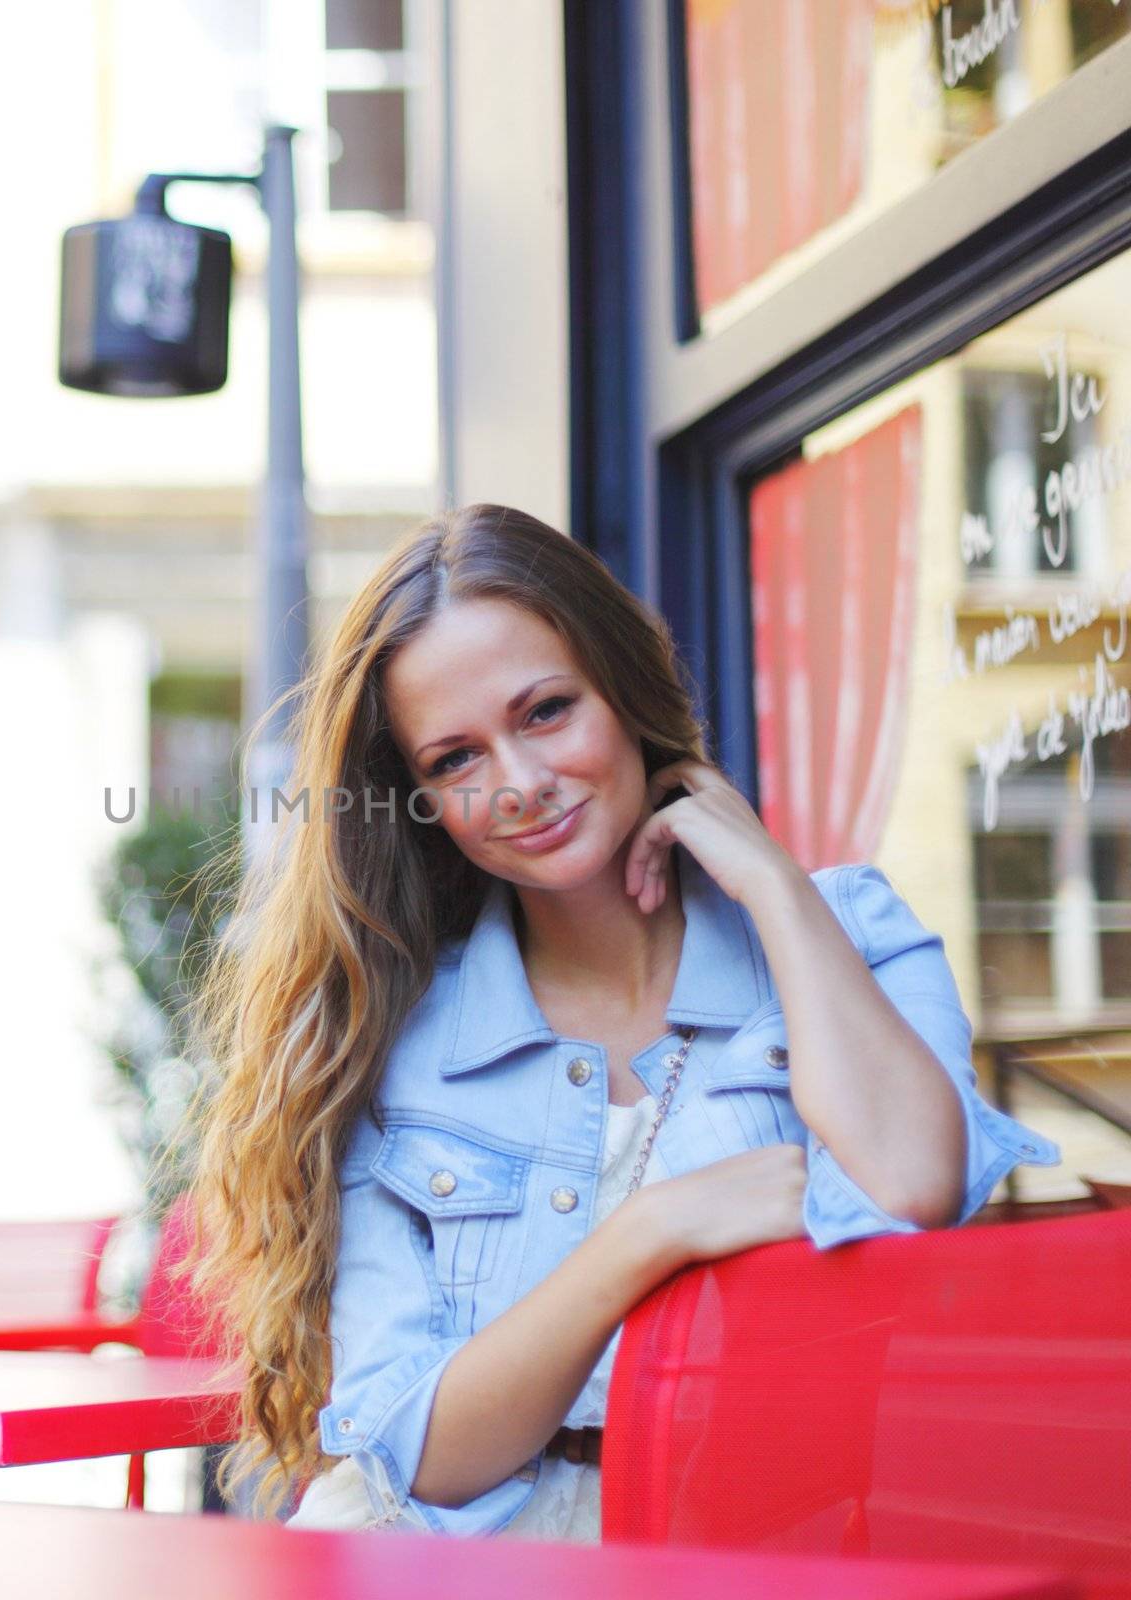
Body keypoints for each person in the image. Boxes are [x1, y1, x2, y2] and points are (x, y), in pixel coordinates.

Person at [174, 502, 1060, 1539]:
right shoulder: (395, 1040)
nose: (520, 783)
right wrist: (655, 1229)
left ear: (624, 690)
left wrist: (775, 888)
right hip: (455, 1562)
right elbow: (428, 1457)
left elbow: (914, 1183)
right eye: (455, 759)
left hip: (753, 1545)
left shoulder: (845, 934)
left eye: (546, 710)